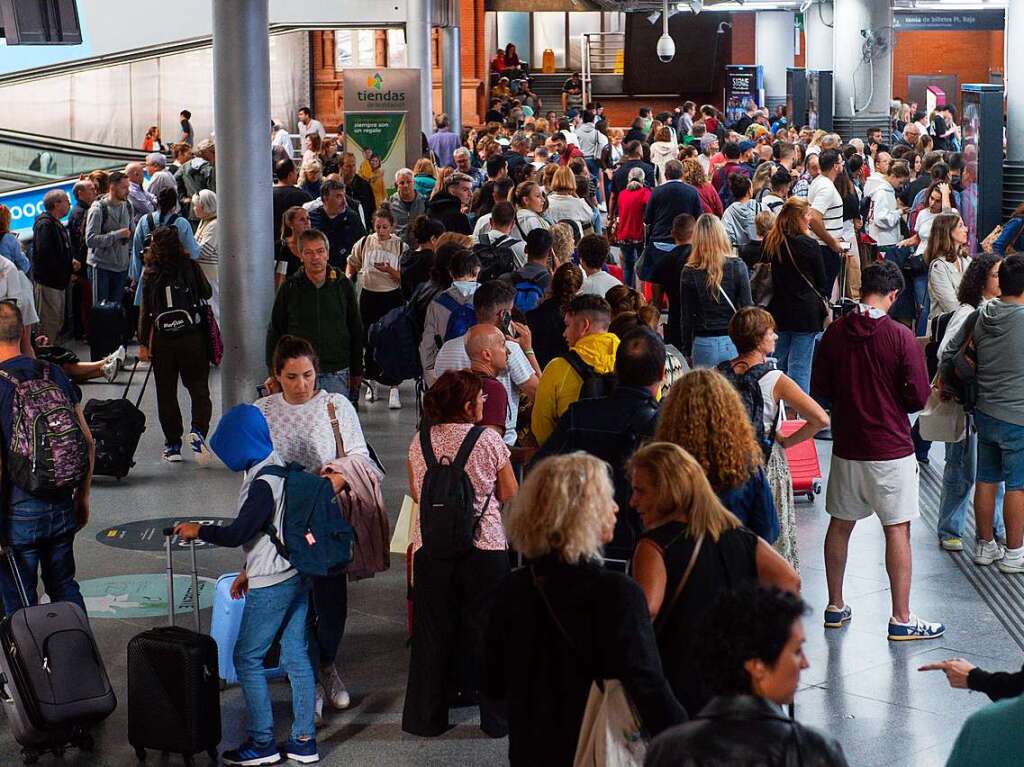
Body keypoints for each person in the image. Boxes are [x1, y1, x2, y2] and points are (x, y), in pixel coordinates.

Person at [483, 453, 686, 766]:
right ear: (584, 514)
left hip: (531, 751)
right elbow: (650, 691)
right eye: (607, 500)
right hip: (598, 748)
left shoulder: (510, 589)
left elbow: (492, 683)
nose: (618, 507)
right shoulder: (618, 594)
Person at [173, 404, 319, 767]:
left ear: (242, 444)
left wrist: (199, 530)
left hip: (272, 582)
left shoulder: (261, 484)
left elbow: (240, 532)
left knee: (247, 657)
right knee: (296, 655)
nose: (229, 460)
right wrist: (245, 570)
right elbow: (271, 532)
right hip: (295, 571)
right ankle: (304, 740)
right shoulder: (277, 463)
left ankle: (263, 742)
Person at [812, 261, 943, 639]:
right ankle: (901, 619)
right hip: (891, 447)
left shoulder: (835, 334)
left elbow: (820, 387)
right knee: (896, 530)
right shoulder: (900, 337)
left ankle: (835, 606)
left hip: (848, 445)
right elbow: (918, 394)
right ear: (894, 295)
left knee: (840, 524)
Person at [255, 335, 379, 723]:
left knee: (332, 602)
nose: (301, 384)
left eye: (308, 375)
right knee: (293, 605)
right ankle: (306, 678)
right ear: (276, 376)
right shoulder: (261, 411)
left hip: (326, 516)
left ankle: (327, 664)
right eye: (292, 376)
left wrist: (323, 487)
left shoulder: (335, 405)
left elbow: (358, 455)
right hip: (281, 520)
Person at [630, 443, 799, 716]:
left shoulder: (654, 546)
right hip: (738, 683)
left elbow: (646, 609)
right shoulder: (740, 537)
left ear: (667, 491)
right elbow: (789, 581)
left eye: (640, 491)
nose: (632, 501)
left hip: (682, 683)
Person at [403, 370, 517, 737]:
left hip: (431, 548)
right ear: (468, 405)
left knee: (431, 634)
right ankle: (496, 719)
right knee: (490, 632)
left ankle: (426, 718)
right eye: (480, 398)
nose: (484, 402)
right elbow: (510, 492)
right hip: (483, 547)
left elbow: (419, 494)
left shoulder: (418, 442)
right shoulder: (488, 440)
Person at [646, 585, 848, 767]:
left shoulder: (665, 749)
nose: (805, 663)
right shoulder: (814, 751)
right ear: (757, 666)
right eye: (796, 651)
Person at [534, 327, 664, 560]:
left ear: (616, 369)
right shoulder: (663, 425)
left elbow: (540, 471)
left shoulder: (578, 414)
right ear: (663, 373)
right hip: (642, 549)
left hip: (579, 544)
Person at [0, 301, 93, 615]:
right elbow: (88, 441)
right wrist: (82, 498)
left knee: (18, 600)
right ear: (23, 331)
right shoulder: (51, 371)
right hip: (61, 500)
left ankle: (31, 663)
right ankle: (80, 659)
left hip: (18, 510)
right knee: (64, 585)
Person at [723, 307, 830, 568]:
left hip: (726, 463)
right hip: (766, 462)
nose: (776, 337)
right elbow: (821, 419)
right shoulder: (775, 380)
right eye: (771, 332)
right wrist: (788, 440)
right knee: (770, 533)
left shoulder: (719, 373)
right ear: (759, 339)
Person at [941, 253, 1024, 573]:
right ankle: (1015, 552)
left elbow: (950, 353)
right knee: (1017, 484)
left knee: (987, 479)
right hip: (1018, 416)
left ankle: (984, 545)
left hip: (984, 413)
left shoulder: (982, 314)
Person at [932, 255, 1005, 551]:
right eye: (996, 275)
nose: (1001, 280)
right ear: (981, 280)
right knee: (960, 467)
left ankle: (997, 526)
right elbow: (944, 355)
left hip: (985, 404)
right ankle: (951, 527)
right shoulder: (968, 313)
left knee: (992, 472)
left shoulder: (999, 311)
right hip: (965, 406)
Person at [657, 370, 778, 542]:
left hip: (676, 561)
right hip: (733, 561)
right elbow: (769, 531)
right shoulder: (747, 466)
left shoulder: (662, 464)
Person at [139, 228, 213, 463]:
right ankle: (198, 430)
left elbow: (145, 312)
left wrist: (142, 343)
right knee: (199, 388)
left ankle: (173, 445)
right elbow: (207, 292)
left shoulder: (150, 273)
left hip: (163, 342)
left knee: (166, 392)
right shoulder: (190, 267)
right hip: (192, 337)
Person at [433, 280, 539, 445]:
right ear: (504, 315)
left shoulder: (447, 348)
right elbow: (539, 393)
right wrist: (529, 351)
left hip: (455, 442)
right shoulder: (509, 348)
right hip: (501, 444)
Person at [267, 229, 363, 401]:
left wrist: (357, 370)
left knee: (334, 424)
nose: (315, 257)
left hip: (336, 372)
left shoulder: (343, 285)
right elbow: (275, 330)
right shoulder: (290, 288)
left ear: (328, 253)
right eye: (309, 252)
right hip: (298, 373)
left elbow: (355, 329)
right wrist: (274, 373)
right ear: (300, 256)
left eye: (320, 251)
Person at [532, 294, 619, 446]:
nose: (564, 333)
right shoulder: (631, 359)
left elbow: (541, 424)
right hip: (624, 461)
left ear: (584, 326)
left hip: (574, 460)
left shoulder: (558, 367)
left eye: (568, 325)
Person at [762, 198, 828, 394]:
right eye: (807, 215)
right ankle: (799, 414)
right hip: (805, 314)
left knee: (777, 363)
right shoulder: (809, 245)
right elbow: (821, 282)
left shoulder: (771, 242)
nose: (810, 219)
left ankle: (775, 409)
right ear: (798, 218)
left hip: (778, 311)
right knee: (800, 367)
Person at [347, 206, 406, 408]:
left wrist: (389, 269)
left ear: (392, 227)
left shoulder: (400, 247)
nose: (381, 231)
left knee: (392, 340)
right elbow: (352, 262)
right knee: (369, 339)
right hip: (369, 295)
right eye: (378, 227)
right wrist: (349, 276)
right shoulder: (364, 242)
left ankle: (394, 387)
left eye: (385, 227)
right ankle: (372, 382)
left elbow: (403, 277)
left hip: (391, 296)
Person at [680, 214, 752, 368]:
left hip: (703, 342)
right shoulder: (738, 266)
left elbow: (686, 315)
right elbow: (747, 308)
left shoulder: (689, 271)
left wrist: (686, 348)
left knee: (705, 391)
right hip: (732, 340)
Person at [419, 248, 481, 385]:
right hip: (481, 369)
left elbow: (427, 344)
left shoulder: (437, 303)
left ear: (451, 272)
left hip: (448, 370)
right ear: (477, 270)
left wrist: (431, 376)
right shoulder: (488, 298)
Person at [129, 187, 199, 306]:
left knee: (150, 314)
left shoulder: (144, 221)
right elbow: (193, 253)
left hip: (149, 275)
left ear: (158, 202)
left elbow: (137, 252)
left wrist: (135, 278)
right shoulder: (181, 223)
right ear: (174, 204)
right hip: (175, 277)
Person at [643, 160, 704, 273]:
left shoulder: (656, 192)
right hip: (685, 243)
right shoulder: (691, 192)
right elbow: (699, 217)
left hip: (659, 243)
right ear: (682, 174)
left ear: (665, 175)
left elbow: (647, 218)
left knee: (659, 279)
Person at [31, 190, 73, 345]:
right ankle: (47, 359)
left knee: (57, 321)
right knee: (49, 322)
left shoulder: (55, 223)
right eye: (66, 201)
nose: (69, 204)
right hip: (49, 283)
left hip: (59, 282)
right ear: (57, 204)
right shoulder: (45, 225)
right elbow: (45, 254)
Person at [85, 169, 133, 304]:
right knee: (101, 309)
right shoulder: (98, 209)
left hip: (121, 267)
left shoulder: (128, 206)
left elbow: (131, 232)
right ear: (112, 187)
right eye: (124, 187)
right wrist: (116, 235)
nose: (128, 191)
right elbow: (90, 239)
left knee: (116, 309)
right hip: (102, 267)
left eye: (128, 187)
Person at [525, 262, 583, 370]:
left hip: (540, 371)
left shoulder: (533, 315)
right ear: (578, 287)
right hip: (571, 373)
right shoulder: (583, 320)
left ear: (553, 284)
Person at [651, 214, 695, 349]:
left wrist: (653, 327)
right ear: (695, 232)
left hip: (675, 320)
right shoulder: (701, 259)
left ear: (672, 233)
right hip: (699, 323)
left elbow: (656, 300)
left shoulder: (662, 262)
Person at [806, 149, 845, 296]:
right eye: (841, 162)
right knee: (823, 295)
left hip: (823, 246)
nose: (843, 165)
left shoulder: (818, 182)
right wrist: (831, 242)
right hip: (824, 249)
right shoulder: (826, 187)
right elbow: (814, 218)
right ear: (835, 166)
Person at [307, 178, 366, 270]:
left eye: (344, 196)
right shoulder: (311, 219)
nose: (344, 202)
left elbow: (364, 246)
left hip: (346, 274)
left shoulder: (352, 218)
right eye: (338, 197)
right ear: (325, 198)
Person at [925, 213, 969, 315]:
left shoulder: (966, 260)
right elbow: (951, 306)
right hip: (947, 326)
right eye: (960, 226)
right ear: (948, 231)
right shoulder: (938, 267)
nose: (966, 229)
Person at [615, 167, 652, 289]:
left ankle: (627, 291)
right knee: (640, 265)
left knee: (627, 265)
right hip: (638, 234)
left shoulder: (622, 194)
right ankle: (639, 293)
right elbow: (650, 206)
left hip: (623, 234)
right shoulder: (645, 192)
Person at [400, 215, 444, 300]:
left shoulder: (405, 256)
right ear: (433, 239)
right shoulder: (433, 260)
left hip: (410, 305)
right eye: (441, 238)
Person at [175, 139, 216, 225]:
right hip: (211, 211)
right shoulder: (211, 167)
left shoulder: (185, 166)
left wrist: (183, 198)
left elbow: (176, 179)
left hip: (193, 210)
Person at [545, 167, 594, 236]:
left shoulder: (547, 201)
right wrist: (576, 195)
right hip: (575, 239)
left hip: (555, 239)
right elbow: (590, 215)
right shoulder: (577, 203)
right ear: (572, 180)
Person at [193, 189, 219, 319]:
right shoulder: (204, 221)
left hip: (212, 275)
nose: (194, 209)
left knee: (214, 309)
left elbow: (204, 251)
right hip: (204, 274)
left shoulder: (214, 224)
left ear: (205, 207)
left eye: (196, 206)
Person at [273, 158, 312, 241]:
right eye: (295, 171)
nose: (297, 174)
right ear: (290, 175)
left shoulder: (267, 196)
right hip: (296, 242)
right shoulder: (302, 196)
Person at [721, 174, 760, 252]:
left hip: (738, 255)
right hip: (759, 253)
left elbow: (726, 237)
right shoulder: (760, 207)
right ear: (749, 191)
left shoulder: (728, 212)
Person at [389, 169, 426, 248]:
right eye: (402, 183)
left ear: (414, 183)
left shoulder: (424, 202)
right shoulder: (390, 203)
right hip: (397, 248)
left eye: (409, 182)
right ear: (396, 185)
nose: (405, 185)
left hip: (418, 247)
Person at [275, 206, 309, 289]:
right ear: (290, 224)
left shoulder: (315, 245)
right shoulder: (281, 247)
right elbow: (279, 280)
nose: (307, 222)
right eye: (302, 220)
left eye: (308, 218)